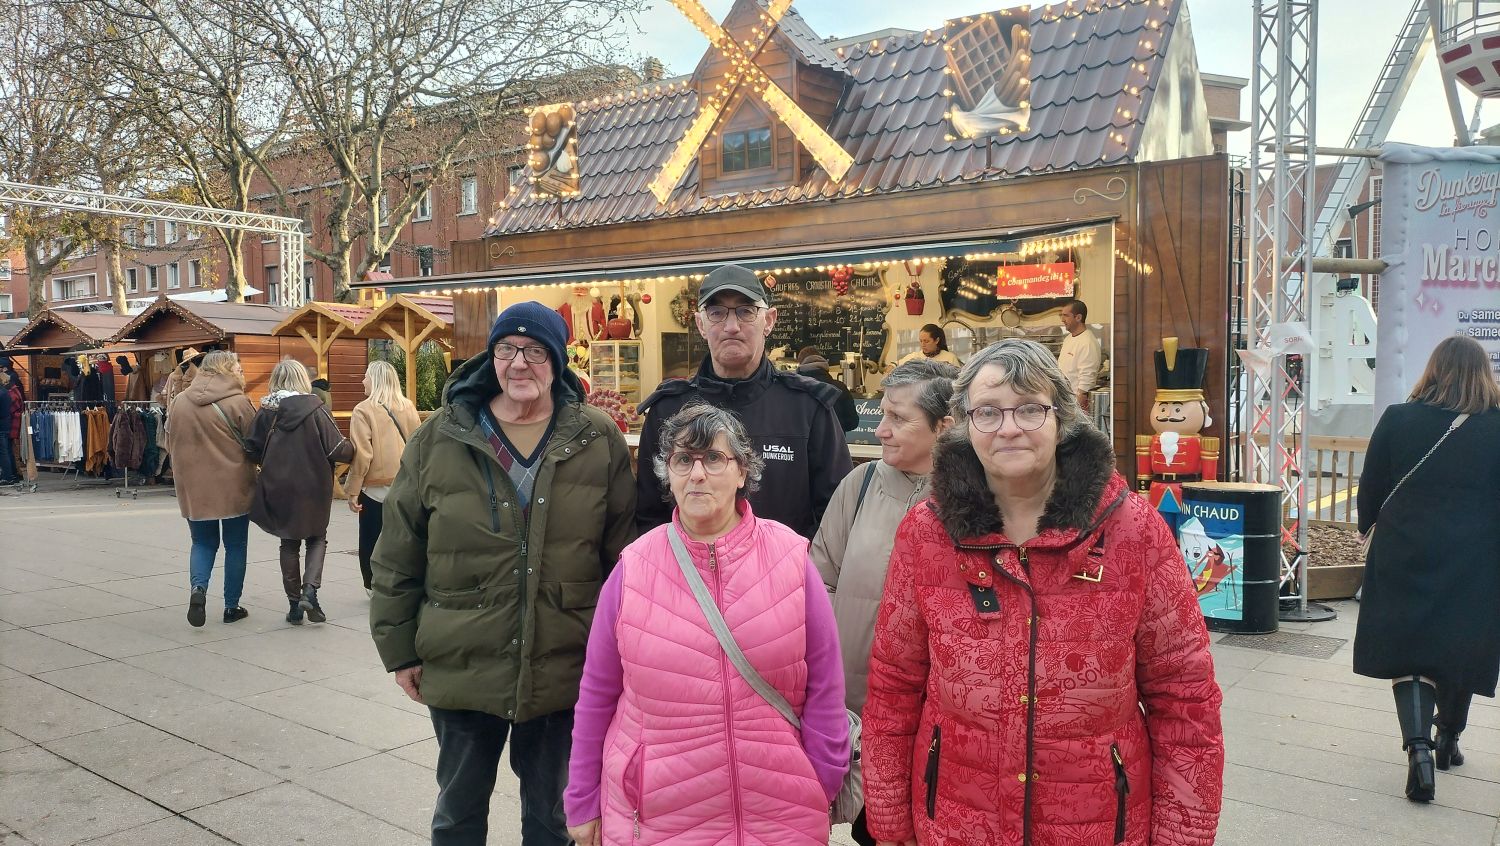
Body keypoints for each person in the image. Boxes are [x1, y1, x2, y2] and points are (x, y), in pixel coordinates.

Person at [862, 339, 1223, 846]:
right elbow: (894, 688)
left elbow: (1184, 700)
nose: (1009, 427)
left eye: (1030, 408)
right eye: (988, 411)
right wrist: (889, 823)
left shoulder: (1133, 530)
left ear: (1062, 417)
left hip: (1099, 825)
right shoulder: (927, 532)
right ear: (964, 424)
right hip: (957, 821)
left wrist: (1182, 837)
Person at [369, 302, 637, 846]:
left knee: (554, 820)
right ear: (491, 357)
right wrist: (399, 649)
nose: (519, 363)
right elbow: (398, 549)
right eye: (507, 349)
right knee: (458, 814)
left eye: (535, 351)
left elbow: (623, 556)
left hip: (564, 663)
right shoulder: (443, 436)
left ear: (557, 361)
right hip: (463, 659)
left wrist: (627, 654)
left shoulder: (596, 437)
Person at [565, 403, 849, 846]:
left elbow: (826, 685)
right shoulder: (634, 568)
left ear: (742, 471)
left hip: (779, 811)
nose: (697, 474)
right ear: (668, 473)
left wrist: (822, 778)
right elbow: (597, 694)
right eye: (684, 459)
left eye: (714, 458)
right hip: (659, 817)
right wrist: (582, 799)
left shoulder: (791, 558)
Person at [809, 359, 957, 846]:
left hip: (938, 723)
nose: (881, 429)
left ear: (944, 427)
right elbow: (821, 579)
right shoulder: (861, 484)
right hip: (856, 713)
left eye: (898, 418)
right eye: (883, 413)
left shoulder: (974, 500)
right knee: (872, 828)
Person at [1353, 335, 1500, 803]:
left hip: (1404, 549)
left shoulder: (1398, 418)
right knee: (1459, 644)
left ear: (1433, 370)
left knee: (1410, 651)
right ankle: (1449, 737)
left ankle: (1418, 748)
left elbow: (1371, 487)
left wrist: (1366, 525)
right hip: (1476, 557)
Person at [635, 264, 852, 538]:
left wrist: (798, 562)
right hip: (687, 566)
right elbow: (651, 517)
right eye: (716, 313)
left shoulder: (807, 408)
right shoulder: (667, 410)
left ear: (769, 320)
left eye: (746, 311)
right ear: (701, 324)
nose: (731, 327)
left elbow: (836, 516)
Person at [246, 358, 354, 626]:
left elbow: (251, 449)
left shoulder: (266, 411)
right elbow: (337, 449)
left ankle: (294, 605)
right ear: (302, 380)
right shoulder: (316, 409)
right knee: (317, 537)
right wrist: (358, 449)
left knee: (288, 541)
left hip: (279, 484)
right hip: (314, 485)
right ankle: (310, 591)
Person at [164, 351, 258, 626]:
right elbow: (255, 443)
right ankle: (231, 606)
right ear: (226, 369)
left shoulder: (180, 401)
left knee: (202, 543)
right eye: (238, 368)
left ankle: (198, 589)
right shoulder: (238, 402)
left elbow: (169, 442)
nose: (241, 373)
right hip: (234, 485)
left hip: (193, 486)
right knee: (236, 545)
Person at [346, 360, 421, 597]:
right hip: (405, 482)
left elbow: (362, 454)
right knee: (403, 538)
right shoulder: (408, 406)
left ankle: (373, 585)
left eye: (366, 376)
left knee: (371, 537)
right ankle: (403, 582)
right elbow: (419, 444)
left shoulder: (363, 410)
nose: (363, 381)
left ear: (375, 380)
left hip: (374, 486)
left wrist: (352, 490)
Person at [796, 346, 860, 432]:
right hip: (834, 439)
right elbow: (852, 423)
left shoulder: (795, 389)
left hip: (803, 440)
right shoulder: (840, 388)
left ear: (800, 364)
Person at [1057, 299, 1102, 410]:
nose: (1062, 320)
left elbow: (1087, 380)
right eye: (1061, 315)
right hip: (1064, 400)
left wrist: (1077, 409)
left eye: (1066, 316)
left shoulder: (1088, 342)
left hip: (1075, 403)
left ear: (1078, 317)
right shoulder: (1068, 339)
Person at [897, 324, 961, 367]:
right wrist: (893, 366)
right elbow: (896, 364)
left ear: (936, 340)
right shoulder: (915, 357)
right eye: (921, 341)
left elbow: (958, 380)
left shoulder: (950, 358)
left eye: (926, 341)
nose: (922, 345)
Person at [0, 370, 18, 484]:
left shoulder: (1, 393)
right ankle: (8, 475)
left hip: (1, 425)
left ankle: (7, 476)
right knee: (6, 451)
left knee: (3, 452)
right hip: (6, 424)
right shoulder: (6, 392)